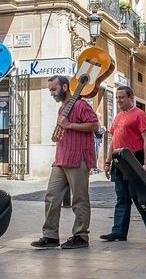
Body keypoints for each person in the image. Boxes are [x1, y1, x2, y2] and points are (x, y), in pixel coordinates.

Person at [30, 75, 99, 249]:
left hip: (78, 157)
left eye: (54, 89)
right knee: (51, 196)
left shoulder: (81, 105)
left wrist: (70, 125)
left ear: (66, 87)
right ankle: (51, 235)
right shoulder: (63, 108)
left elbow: (94, 125)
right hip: (61, 158)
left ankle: (81, 236)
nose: (52, 93)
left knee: (79, 198)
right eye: (50, 90)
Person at [100, 86, 146, 241]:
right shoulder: (117, 117)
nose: (118, 100)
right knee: (121, 198)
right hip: (119, 161)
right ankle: (118, 232)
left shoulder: (139, 114)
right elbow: (113, 141)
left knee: (138, 197)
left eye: (121, 97)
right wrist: (107, 161)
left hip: (135, 159)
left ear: (131, 97)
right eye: (117, 97)